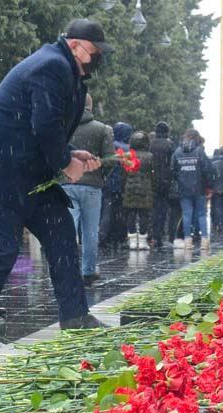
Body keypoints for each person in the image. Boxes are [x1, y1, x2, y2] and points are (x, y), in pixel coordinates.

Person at [0, 18, 108, 354]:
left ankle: (75, 316)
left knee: (62, 235)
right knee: (0, 251)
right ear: (76, 45)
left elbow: (49, 126)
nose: (98, 58)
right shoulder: (52, 65)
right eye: (95, 51)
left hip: (27, 174)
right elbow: (45, 124)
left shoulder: (64, 69)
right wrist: (67, 163)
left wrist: (71, 153)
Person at [61, 94, 111, 278]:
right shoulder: (102, 129)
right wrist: (100, 176)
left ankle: (66, 268)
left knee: (68, 227)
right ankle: (88, 271)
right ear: (91, 106)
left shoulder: (64, 127)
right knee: (90, 231)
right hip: (92, 185)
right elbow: (109, 159)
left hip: (67, 182)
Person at [172, 129, 215, 245]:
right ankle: (205, 240)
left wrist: (180, 181)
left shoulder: (178, 152)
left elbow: (173, 171)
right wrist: (209, 186)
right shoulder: (199, 151)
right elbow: (208, 169)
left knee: (186, 214)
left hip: (183, 189)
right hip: (199, 188)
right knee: (201, 213)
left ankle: (187, 240)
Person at [122, 130, 155, 250]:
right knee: (144, 214)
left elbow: (123, 174)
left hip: (130, 188)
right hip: (145, 189)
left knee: (130, 214)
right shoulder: (150, 156)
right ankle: (142, 241)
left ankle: (132, 241)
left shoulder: (128, 155)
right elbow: (153, 174)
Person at [102, 122, 132, 250]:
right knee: (120, 213)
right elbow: (130, 167)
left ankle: (104, 237)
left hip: (108, 184)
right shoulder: (128, 149)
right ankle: (120, 237)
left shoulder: (109, 146)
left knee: (106, 212)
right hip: (121, 185)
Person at [148, 121, 176, 249]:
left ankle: (152, 234)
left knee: (153, 208)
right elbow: (173, 164)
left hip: (153, 179)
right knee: (163, 209)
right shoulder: (170, 144)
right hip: (165, 181)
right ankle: (159, 235)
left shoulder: (151, 144)